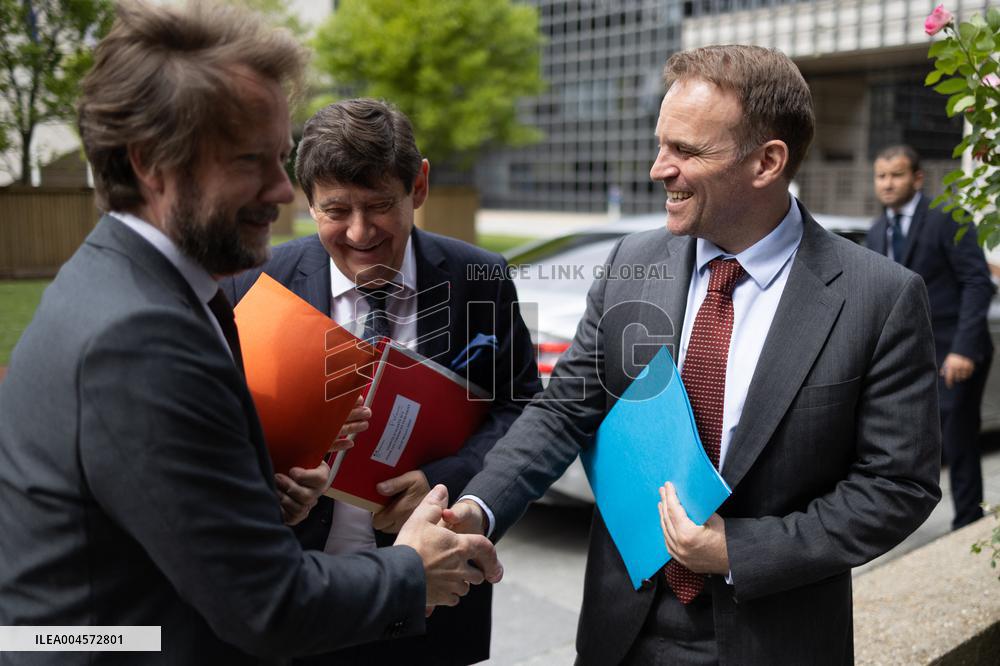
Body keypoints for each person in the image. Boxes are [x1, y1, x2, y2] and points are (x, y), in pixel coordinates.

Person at [0, 3, 500, 663]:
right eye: (251, 162)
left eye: (279, 159)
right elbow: (264, 604)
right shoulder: (141, 333)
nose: (282, 192)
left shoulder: (135, 285)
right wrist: (411, 570)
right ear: (151, 163)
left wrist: (263, 502)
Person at [445, 45, 942, 665]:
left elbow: (897, 486)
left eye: (686, 151)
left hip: (775, 639)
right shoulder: (631, 263)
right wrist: (477, 505)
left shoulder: (881, 298)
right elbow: (562, 410)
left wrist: (740, 551)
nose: (659, 169)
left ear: (767, 161)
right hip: (619, 631)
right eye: (661, 144)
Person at [222, 98, 540, 665]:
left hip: (435, 610)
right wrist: (266, 484)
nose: (360, 232)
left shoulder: (481, 279)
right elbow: (219, 426)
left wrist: (447, 481)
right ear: (305, 197)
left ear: (418, 184)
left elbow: (519, 410)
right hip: (299, 597)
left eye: (378, 206)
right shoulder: (254, 285)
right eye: (335, 210)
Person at [868, 144, 994, 530]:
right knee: (905, 444)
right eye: (882, 177)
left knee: (958, 442)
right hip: (907, 358)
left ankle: (968, 522)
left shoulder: (947, 218)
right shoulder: (876, 231)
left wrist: (963, 350)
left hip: (955, 352)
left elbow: (977, 282)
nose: (888, 184)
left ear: (917, 178)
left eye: (897, 175)